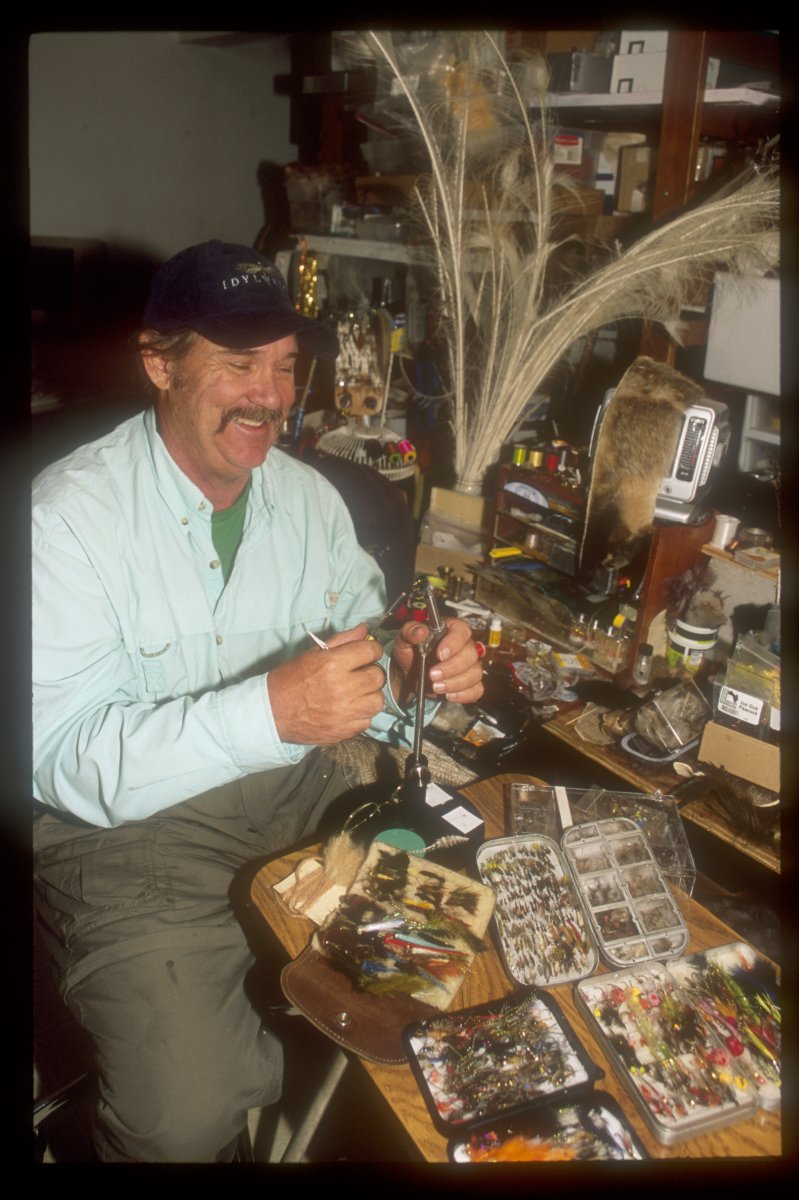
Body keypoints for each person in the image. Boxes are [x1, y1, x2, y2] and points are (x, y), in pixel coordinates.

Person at [32, 240, 483, 1162]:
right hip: (128, 838)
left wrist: (413, 673)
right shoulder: (67, 519)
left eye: (284, 366)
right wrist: (271, 714)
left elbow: (371, 664)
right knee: (181, 1117)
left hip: (303, 802)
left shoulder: (311, 502)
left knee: (464, 986)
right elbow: (63, 757)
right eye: (238, 363)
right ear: (159, 362)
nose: (271, 396)